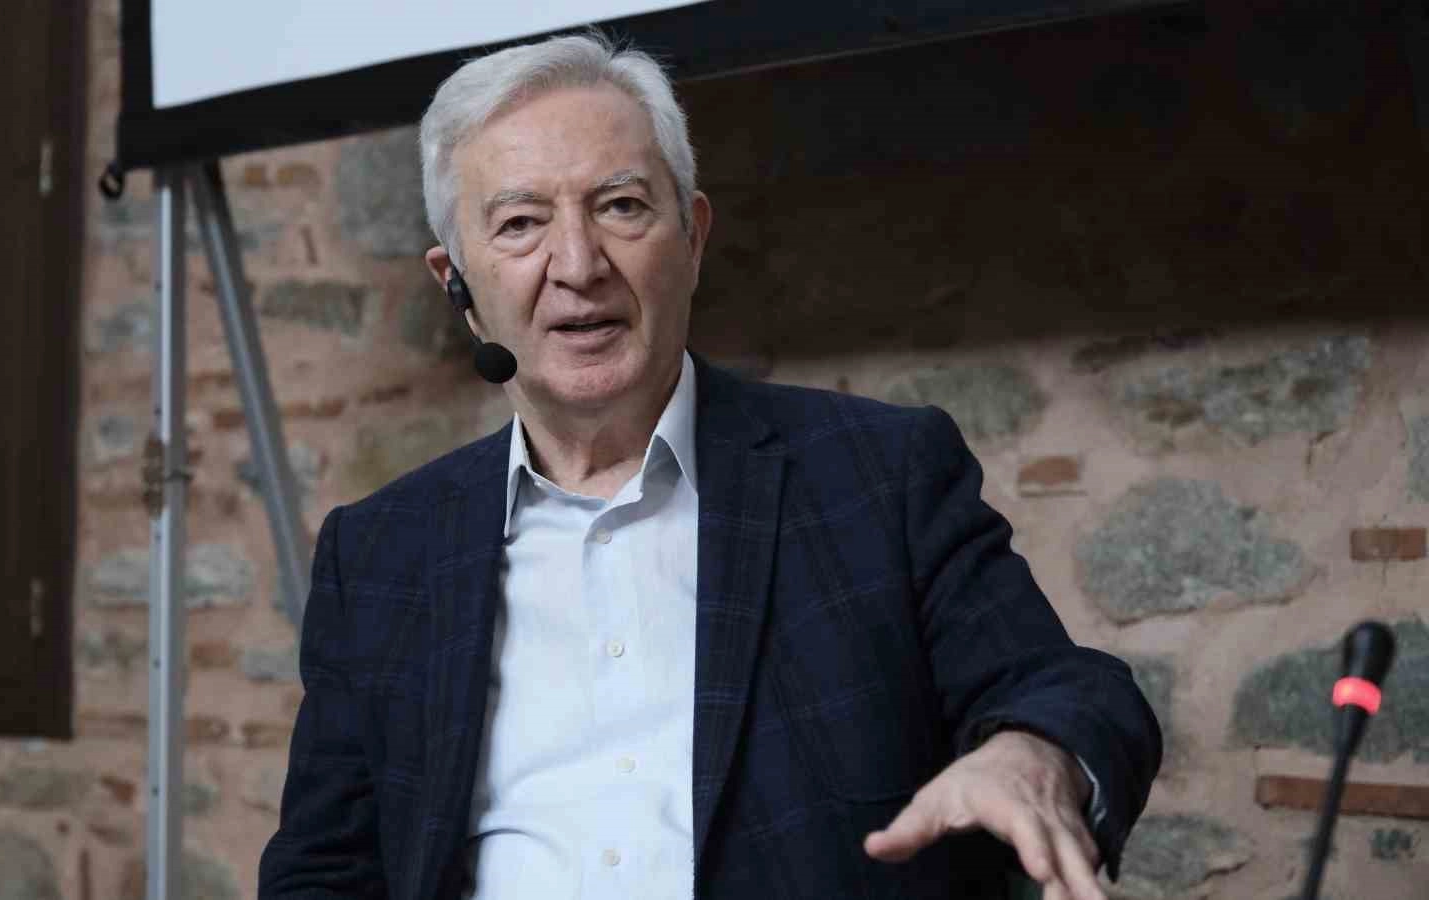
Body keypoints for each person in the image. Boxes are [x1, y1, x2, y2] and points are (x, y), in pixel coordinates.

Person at [259, 31, 1161, 900]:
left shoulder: (878, 475)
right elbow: (322, 871)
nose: (578, 264)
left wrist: (1030, 757)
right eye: (521, 224)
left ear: (691, 238)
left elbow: (1069, 690)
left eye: (620, 206)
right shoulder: (377, 555)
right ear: (456, 283)